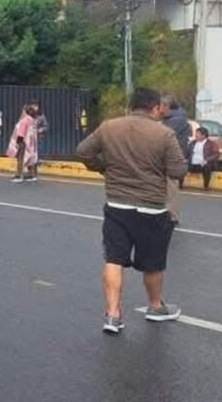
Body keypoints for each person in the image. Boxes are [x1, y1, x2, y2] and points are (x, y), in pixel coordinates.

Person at [76, 87, 188, 336]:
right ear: (156, 107)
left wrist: (104, 168)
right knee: (153, 263)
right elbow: (178, 171)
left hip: (117, 205)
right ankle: (155, 307)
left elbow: (83, 151)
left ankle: (113, 315)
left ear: (132, 105)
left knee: (114, 259)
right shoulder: (164, 134)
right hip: (153, 208)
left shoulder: (109, 127)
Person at [159, 94, 191, 224]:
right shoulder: (174, 118)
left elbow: (162, 134)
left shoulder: (176, 120)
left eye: (161, 106)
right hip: (169, 156)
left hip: (173, 158)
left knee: (171, 187)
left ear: (167, 106)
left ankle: (172, 215)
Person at [8, 105, 40, 183]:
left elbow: (21, 133)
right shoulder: (32, 121)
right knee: (30, 158)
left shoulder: (24, 120)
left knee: (20, 159)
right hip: (31, 143)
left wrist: (18, 142)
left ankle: (19, 175)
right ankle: (31, 175)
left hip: (23, 142)